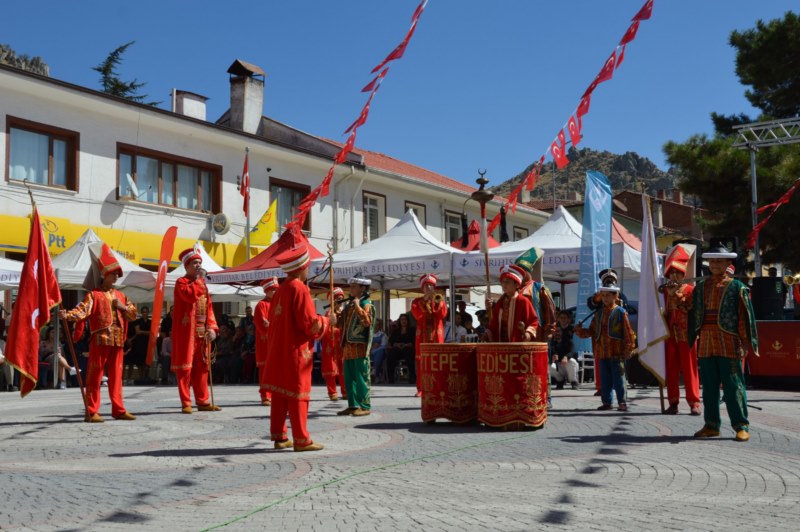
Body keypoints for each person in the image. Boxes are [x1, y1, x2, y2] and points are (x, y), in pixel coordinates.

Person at [687, 244, 759, 442]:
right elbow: (691, 310)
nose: (715, 264)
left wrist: (745, 342)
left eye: (719, 261)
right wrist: (677, 299)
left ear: (729, 263)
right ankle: (711, 425)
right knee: (709, 386)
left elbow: (744, 317)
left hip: (729, 340)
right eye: (712, 261)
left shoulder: (738, 287)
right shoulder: (701, 287)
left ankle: (741, 425)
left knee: (733, 385)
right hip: (707, 341)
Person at [60, 243, 137, 422]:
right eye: (113, 274)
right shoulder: (94, 295)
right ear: (103, 275)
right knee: (95, 377)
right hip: (101, 339)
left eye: (117, 274)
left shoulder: (121, 296)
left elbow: (133, 314)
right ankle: (92, 411)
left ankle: (118, 409)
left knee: (117, 378)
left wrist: (123, 307)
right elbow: (83, 310)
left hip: (118, 341)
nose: (116, 277)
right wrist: (68, 315)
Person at [264, 243, 328, 452]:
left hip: (279, 350)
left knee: (280, 395)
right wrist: (327, 321)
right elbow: (309, 324)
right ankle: (301, 439)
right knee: (298, 395)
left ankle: (280, 436)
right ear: (301, 267)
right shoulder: (300, 289)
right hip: (296, 352)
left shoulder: (281, 289)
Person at [171, 245, 220, 414]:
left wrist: (213, 328)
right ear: (186, 266)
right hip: (186, 334)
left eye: (200, 262)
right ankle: (186, 402)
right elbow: (190, 295)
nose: (198, 265)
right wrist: (200, 280)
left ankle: (202, 400)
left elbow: (210, 309)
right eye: (195, 263)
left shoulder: (203, 287)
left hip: (202, 333)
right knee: (185, 368)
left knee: (202, 368)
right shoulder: (181, 283)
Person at [575, 279, 636, 412]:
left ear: (615, 296)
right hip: (602, 352)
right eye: (603, 295)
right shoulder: (598, 313)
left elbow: (628, 332)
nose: (605, 298)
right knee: (605, 380)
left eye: (608, 295)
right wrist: (579, 330)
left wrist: (629, 347)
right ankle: (607, 402)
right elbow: (591, 331)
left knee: (619, 379)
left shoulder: (620, 312)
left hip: (616, 352)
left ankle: (622, 402)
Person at [660, 245, 701, 416]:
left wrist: (674, 294)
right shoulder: (664, 293)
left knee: (690, 368)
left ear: (683, 274)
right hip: (670, 336)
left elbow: (687, 307)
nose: (674, 276)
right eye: (671, 273)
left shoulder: (691, 290)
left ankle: (694, 402)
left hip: (687, 335)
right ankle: (673, 402)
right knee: (671, 369)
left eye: (677, 272)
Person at [337, 274, 375, 416]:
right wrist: (336, 314)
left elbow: (367, 322)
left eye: (354, 286)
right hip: (348, 347)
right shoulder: (350, 305)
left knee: (361, 377)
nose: (350, 289)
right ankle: (352, 405)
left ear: (362, 288)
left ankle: (365, 406)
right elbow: (342, 324)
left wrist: (358, 306)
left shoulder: (366, 304)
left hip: (359, 347)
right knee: (349, 377)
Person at [410, 273, 447, 397]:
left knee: (437, 361)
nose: (429, 288)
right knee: (422, 362)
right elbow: (417, 315)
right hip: (422, 336)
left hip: (437, 334)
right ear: (422, 288)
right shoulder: (416, 301)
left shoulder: (439, 299)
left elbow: (442, 315)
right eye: (426, 286)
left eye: (431, 285)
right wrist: (425, 301)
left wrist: (437, 303)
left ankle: (437, 387)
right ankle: (421, 388)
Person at [485, 264, 540, 343]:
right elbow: (494, 324)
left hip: (517, 347)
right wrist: (488, 333)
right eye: (503, 281)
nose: (504, 284)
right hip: (501, 345)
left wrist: (528, 333)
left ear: (517, 285)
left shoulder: (523, 301)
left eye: (507, 282)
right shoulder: (500, 302)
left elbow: (534, 321)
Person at [515, 247, 555, 340]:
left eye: (522, 269)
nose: (520, 272)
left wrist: (549, 330)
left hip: (536, 332)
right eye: (518, 270)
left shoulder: (538, 288)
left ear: (529, 271)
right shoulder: (515, 288)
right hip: (517, 332)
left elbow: (549, 308)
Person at [254, 277, 278, 405]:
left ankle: (275, 393)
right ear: (267, 291)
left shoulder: (278, 304)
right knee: (264, 369)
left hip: (276, 341)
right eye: (273, 290)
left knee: (275, 369)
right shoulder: (261, 305)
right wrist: (272, 328)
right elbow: (262, 324)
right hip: (265, 342)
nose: (276, 292)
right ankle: (265, 395)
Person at [320, 287, 346, 401]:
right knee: (331, 368)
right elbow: (326, 330)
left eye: (341, 298)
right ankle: (332, 392)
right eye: (338, 298)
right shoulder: (328, 313)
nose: (340, 300)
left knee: (343, 369)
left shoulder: (345, 312)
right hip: (330, 344)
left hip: (341, 344)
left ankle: (346, 392)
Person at [550, 310, 579, 390]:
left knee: (572, 362)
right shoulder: (555, 331)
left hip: (569, 360)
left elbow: (573, 348)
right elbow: (553, 345)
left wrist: (567, 356)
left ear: (568, 320)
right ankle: (560, 380)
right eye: (561, 318)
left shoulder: (572, 330)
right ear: (558, 319)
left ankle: (573, 381)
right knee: (549, 366)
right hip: (559, 361)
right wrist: (554, 354)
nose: (563, 319)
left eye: (565, 318)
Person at [125, 305, 151, 384]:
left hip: (148, 342)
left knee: (147, 360)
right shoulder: (138, 321)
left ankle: (146, 377)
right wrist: (146, 332)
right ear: (141, 313)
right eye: (143, 312)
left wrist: (143, 332)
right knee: (139, 361)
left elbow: (153, 332)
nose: (145, 313)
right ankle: (140, 377)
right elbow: (138, 331)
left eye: (146, 312)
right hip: (139, 342)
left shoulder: (151, 321)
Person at [386, 313, 415, 384]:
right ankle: (391, 376)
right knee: (391, 354)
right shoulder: (396, 331)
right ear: (399, 321)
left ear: (408, 321)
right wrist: (396, 344)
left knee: (408, 353)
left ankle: (412, 376)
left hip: (408, 348)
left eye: (405, 319)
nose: (403, 321)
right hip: (398, 350)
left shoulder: (412, 330)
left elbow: (414, 341)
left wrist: (409, 344)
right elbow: (391, 342)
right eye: (402, 319)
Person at [370, 319, 389, 383]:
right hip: (370, 353)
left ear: (380, 326)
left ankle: (375, 373)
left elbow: (384, 345)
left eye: (377, 325)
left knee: (380, 351)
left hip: (379, 352)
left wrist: (378, 346)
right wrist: (372, 346)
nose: (376, 326)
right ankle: (376, 374)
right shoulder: (369, 334)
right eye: (374, 325)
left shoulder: (383, 335)